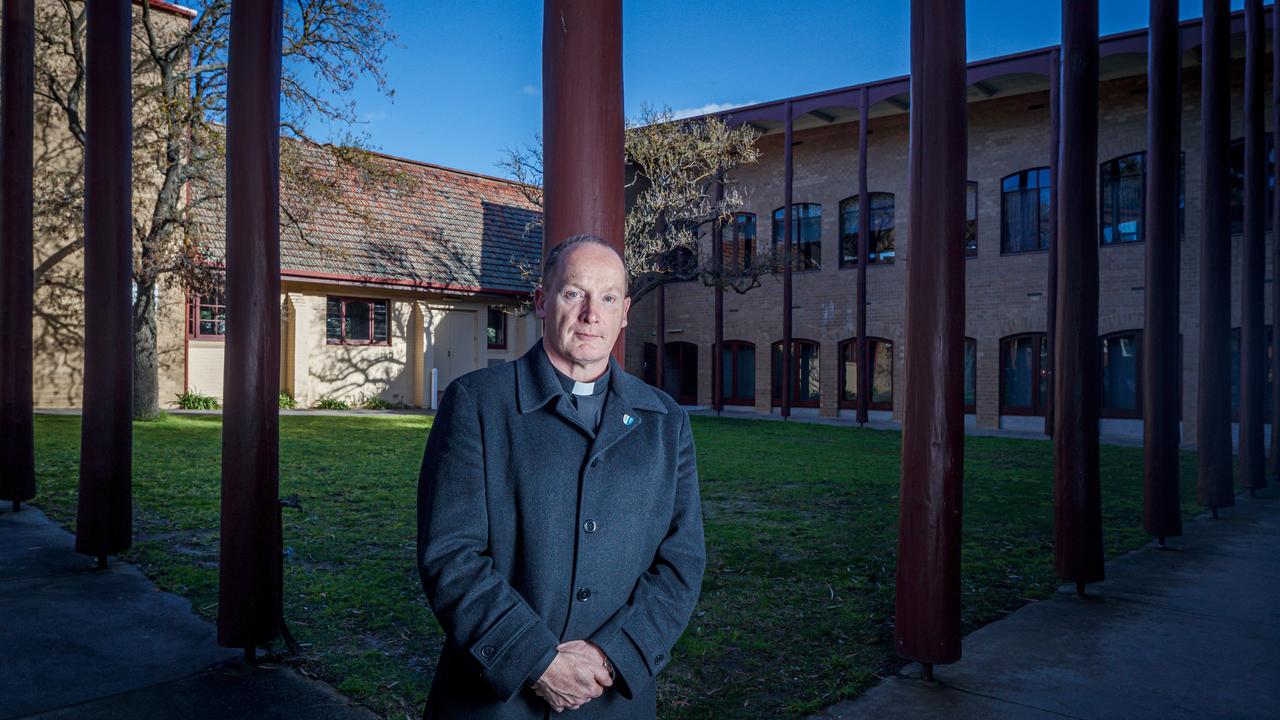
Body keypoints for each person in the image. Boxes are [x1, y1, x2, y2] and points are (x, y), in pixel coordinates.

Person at [417, 234, 706, 719]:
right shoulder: (477, 403)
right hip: (493, 701)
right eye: (575, 293)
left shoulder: (665, 420)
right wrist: (536, 661)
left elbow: (681, 562)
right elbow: (450, 554)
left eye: (608, 298)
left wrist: (612, 655)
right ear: (541, 301)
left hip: (612, 697)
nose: (593, 313)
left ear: (626, 312)